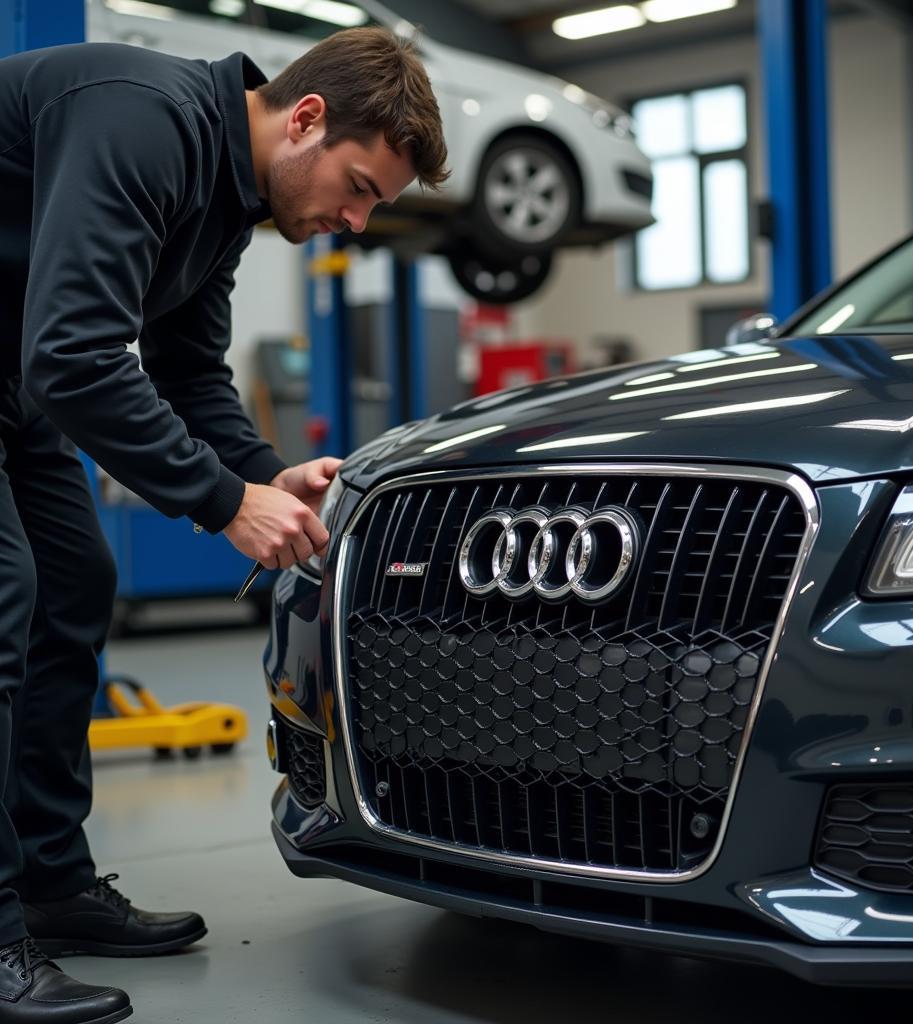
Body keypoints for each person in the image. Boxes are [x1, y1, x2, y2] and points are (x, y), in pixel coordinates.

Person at [0, 25, 448, 1023]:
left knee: (73, 586)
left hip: (17, 382)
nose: (357, 221)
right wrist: (221, 503)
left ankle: (49, 883)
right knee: (6, 597)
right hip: (34, 368)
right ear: (305, 118)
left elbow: (188, 371)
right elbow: (72, 351)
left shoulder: (225, 195)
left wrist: (264, 476)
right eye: (362, 187)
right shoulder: (141, 116)